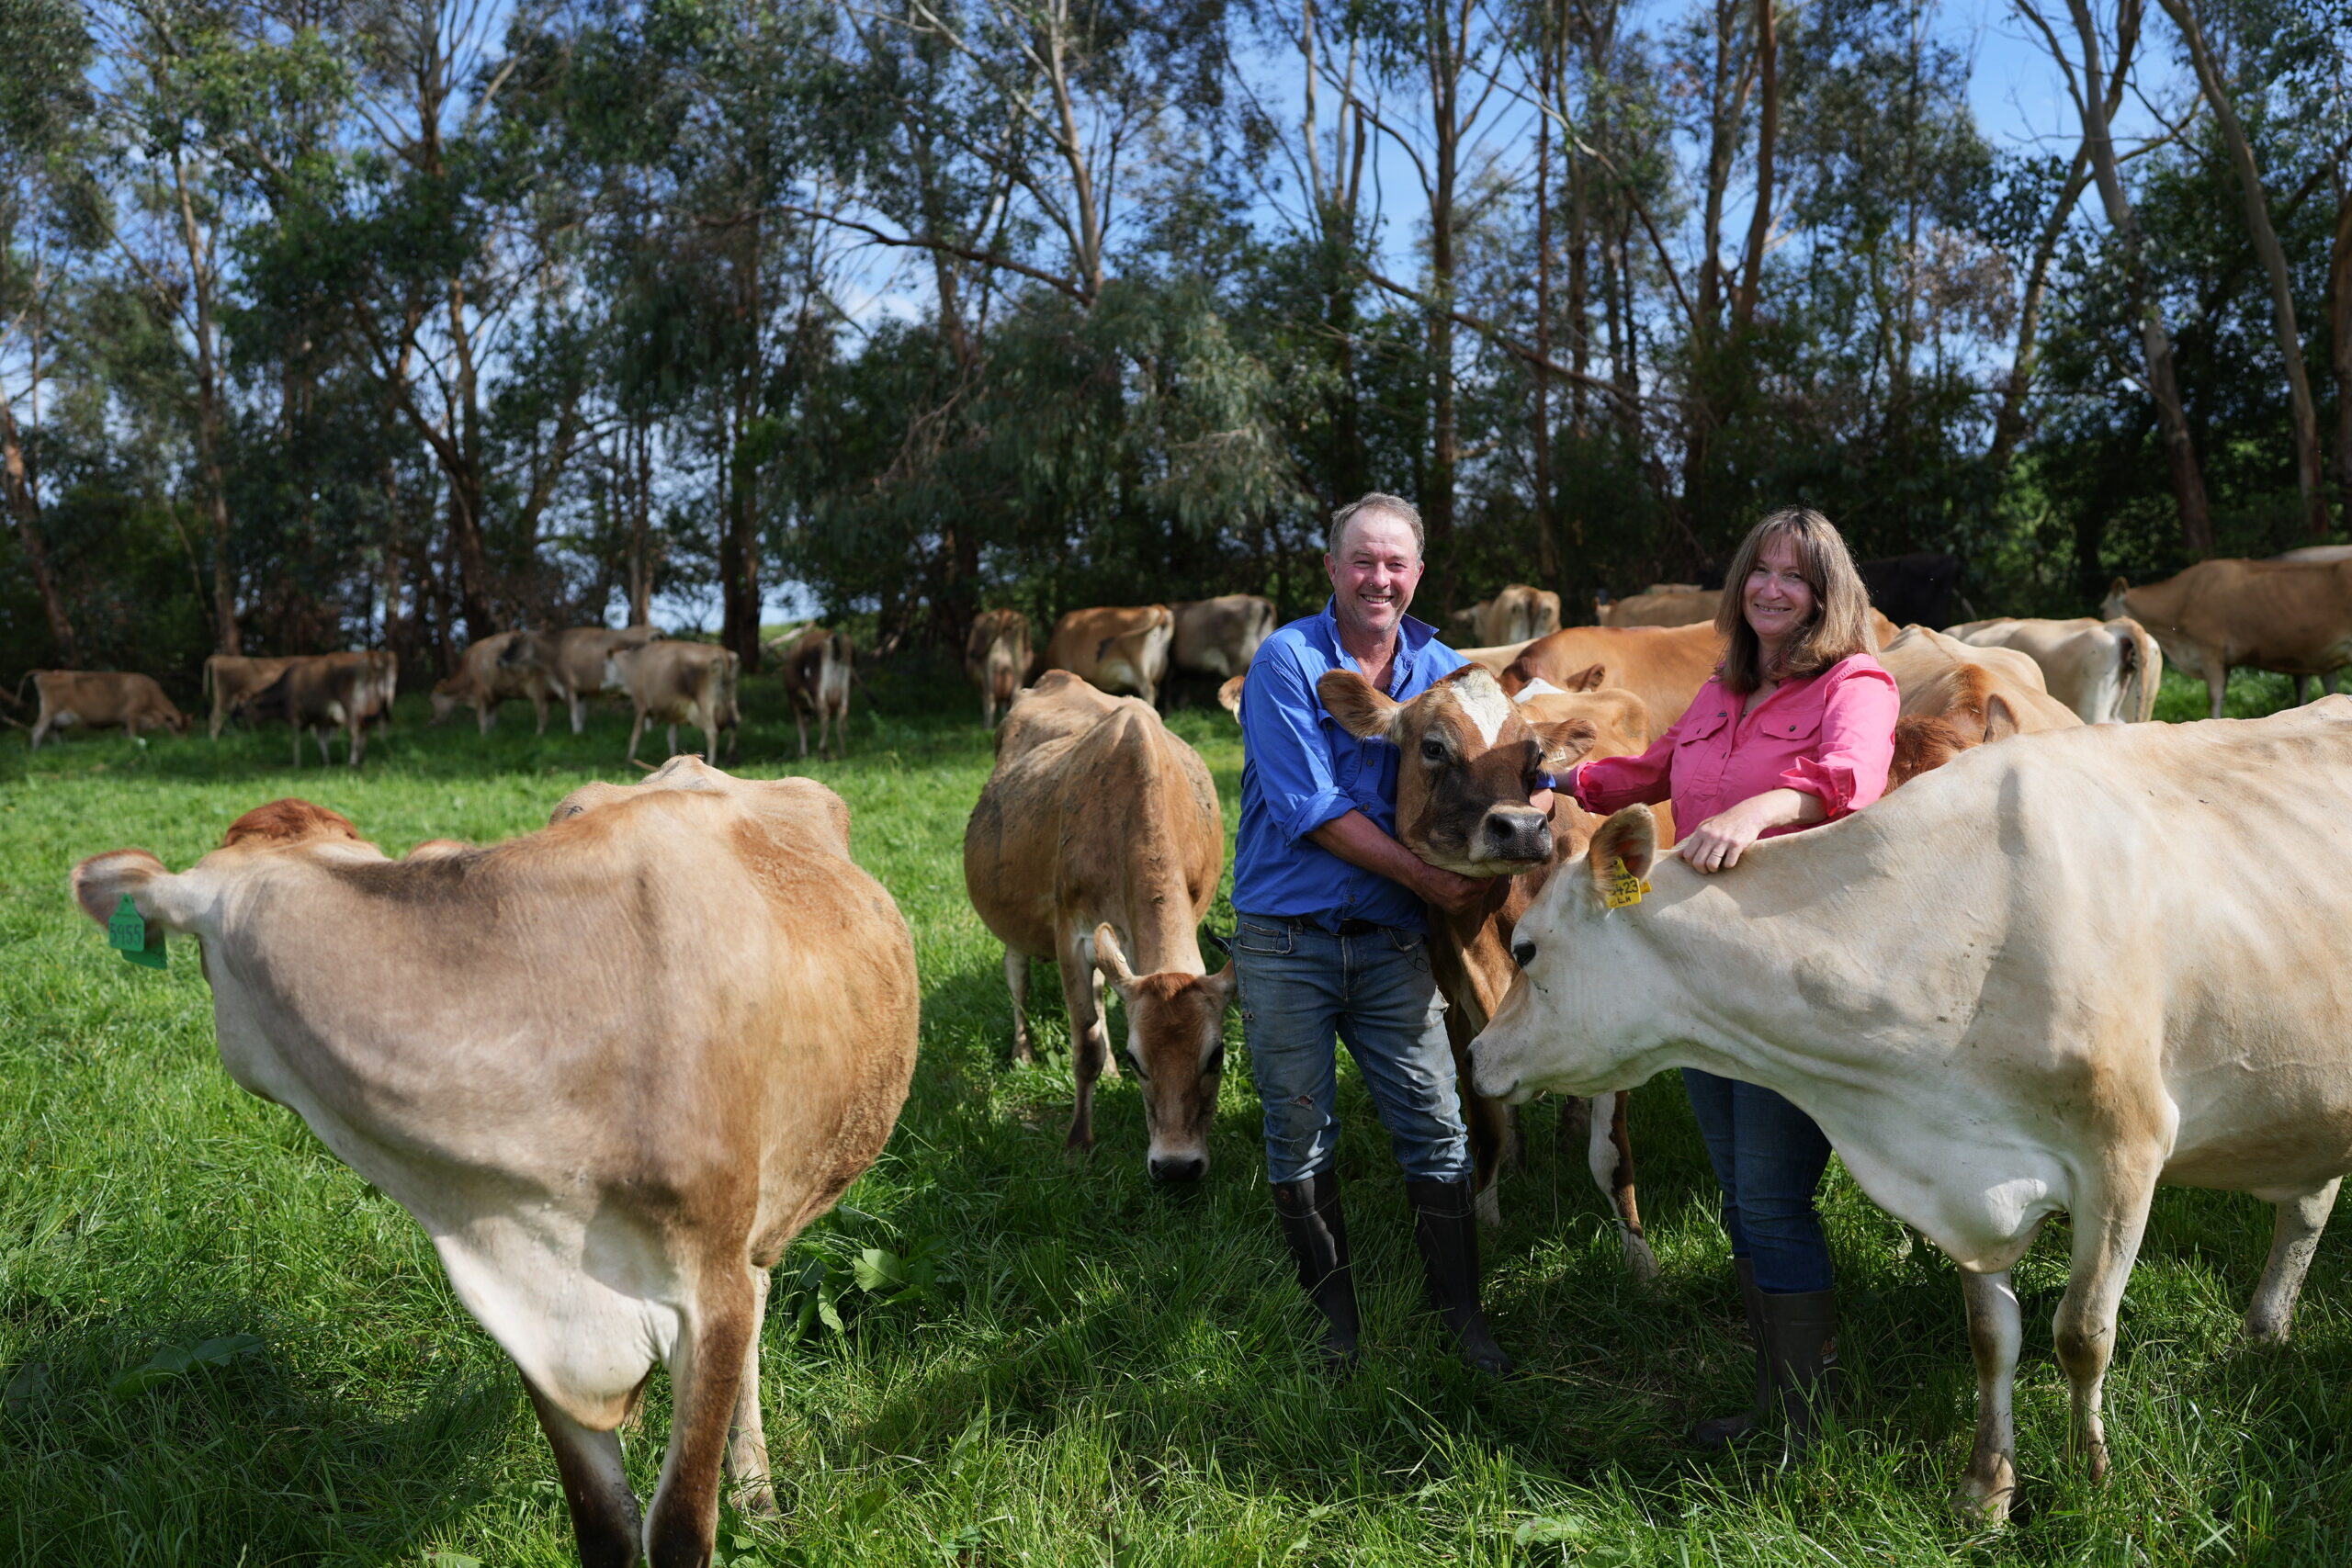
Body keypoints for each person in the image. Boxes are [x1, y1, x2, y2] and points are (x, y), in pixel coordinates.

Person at [1555, 507, 1898, 1450]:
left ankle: (1799, 1419)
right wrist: (1552, 784)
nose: (1771, 588)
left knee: (1773, 1192)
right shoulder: (1721, 689)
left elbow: (1850, 782)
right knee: (1739, 1193)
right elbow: (1656, 769)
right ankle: (1774, 1392)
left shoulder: (1856, 682)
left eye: (1795, 576)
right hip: (1704, 977)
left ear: (1827, 594)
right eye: (1759, 572)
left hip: (1793, 975)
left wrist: (1759, 809)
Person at [1230, 492, 1512, 1375]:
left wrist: (1530, 809)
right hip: (1287, 940)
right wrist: (1432, 879)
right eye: (1362, 561)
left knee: (1437, 1123)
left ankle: (1463, 1321)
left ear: (1418, 572)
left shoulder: (1448, 668)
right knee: (1300, 1128)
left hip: (1394, 943)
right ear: (1332, 569)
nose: (1378, 578)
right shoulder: (1288, 661)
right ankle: (1335, 1332)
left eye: (1395, 563)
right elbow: (1311, 809)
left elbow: (1503, 770)